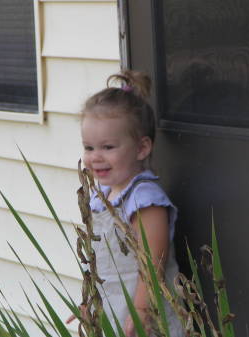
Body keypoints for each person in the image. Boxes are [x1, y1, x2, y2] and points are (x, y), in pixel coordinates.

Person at [73, 70, 183, 337]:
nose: (95, 157)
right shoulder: (103, 197)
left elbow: (152, 264)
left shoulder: (144, 199)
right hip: (113, 313)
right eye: (89, 148)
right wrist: (91, 302)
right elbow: (103, 265)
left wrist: (142, 313)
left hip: (144, 316)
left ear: (142, 148)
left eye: (108, 147)